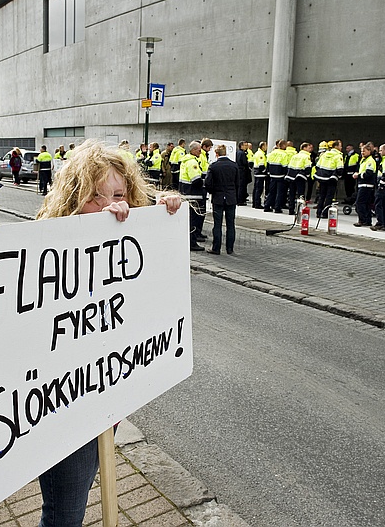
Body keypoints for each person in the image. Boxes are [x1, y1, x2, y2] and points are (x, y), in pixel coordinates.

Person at [35, 140, 180, 526]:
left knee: (77, 496)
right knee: (64, 512)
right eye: (92, 197)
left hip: (104, 397)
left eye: (117, 194)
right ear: (71, 198)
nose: (108, 206)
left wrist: (160, 217)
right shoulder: (46, 246)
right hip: (61, 406)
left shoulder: (125, 235)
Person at [204, 143, 238, 254]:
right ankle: (230, 249)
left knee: (217, 224)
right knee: (230, 224)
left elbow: (208, 183)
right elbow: (238, 183)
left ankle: (216, 248)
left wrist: (212, 192)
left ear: (216, 154)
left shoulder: (213, 166)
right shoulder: (234, 165)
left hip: (218, 197)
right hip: (231, 197)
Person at [180, 140, 205, 251]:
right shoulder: (192, 163)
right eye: (199, 150)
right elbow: (196, 181)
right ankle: (192, 243)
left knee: (189, 219)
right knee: (194, 220)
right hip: (193, 195)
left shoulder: (186, 161)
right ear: (194, 150)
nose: (201, 152)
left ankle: (189, 241)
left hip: (186, 193)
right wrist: (205, 182)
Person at [314, 139, 343, 218]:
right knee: (329, 197)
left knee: (322, 196)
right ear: (336, 146)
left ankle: (318, 212)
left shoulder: (325, 154)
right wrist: (338, 176)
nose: (341, 147)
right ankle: (325, 213)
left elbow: (318, 166)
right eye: (340, 146)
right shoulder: (338, 156)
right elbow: (340, 169)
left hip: (322, 178)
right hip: (331, 179)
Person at [352, 142, 376, 227]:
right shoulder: (364, 160)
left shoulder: (370, 161)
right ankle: (367, 221)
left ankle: (362, 220)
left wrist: (358, 175)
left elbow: (368, 174)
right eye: (362, 151)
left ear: (369, 151)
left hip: (366, 185)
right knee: (366, 204)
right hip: (363, 184)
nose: (362, 153)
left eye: (364, 151)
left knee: (360, 203)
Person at [285, 141, 313, 215]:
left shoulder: (295, 155)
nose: (309, 149)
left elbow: (289, 166)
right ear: (304, 148)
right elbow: (307, 168)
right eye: (308, 147)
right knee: (301, 195)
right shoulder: (306, 156)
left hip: (291, 176)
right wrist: (307, 176)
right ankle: (300, 210)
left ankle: (291, 210)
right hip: (300, 177)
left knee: (292, 194)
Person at [251, 141, 268, 209]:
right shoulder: (261, 154)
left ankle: (255, 203)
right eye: (266, 146)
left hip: (257, 173)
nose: (266, 147)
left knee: (256, 188)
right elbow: (261, 165)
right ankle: (257, 204)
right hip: (260, 173)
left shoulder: (257, 153)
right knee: (259, 189)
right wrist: (265, 171)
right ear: (263, 146)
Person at [235, 141, 251, 206]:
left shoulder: (237, 153)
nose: (246, 147)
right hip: (242, 171)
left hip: (238, 170)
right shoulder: (242, 154)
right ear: (241, 146)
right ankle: (240, 200)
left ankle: (238, 199)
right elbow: (245, 163)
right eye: (245, 145)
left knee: (238, 186)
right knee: (242, 186)